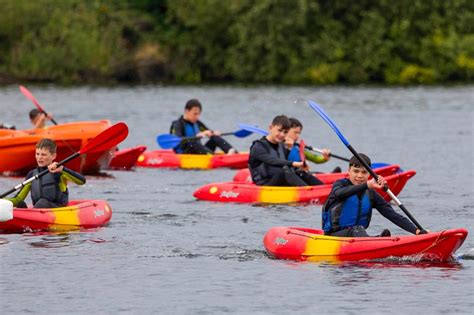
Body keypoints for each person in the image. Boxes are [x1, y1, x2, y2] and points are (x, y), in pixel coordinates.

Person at [322, 153, 426, 237]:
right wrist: (367, 184)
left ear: (369, 174)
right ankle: (373, 242)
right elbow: (339, 194)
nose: (360, 176)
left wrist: (416, 231)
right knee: (357, 229)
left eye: (364, 172)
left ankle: (378, 240)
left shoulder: (370, 193)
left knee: (360, 230)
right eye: (356, 171)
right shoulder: (339, 185)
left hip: (357, 236)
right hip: (334, 236)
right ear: (349, 171)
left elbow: (392, 215)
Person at [5, 138, 86, 209]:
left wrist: (63, 169)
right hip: (38, 211)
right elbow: (18, 198)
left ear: (53, 156)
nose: (39, 157)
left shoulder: (59, 172)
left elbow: (82, 181)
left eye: (43, 154)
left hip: (57, 209)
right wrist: (3, 201)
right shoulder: (32, 174)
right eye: (37, 154)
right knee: (20, 204)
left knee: (42, 202)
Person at [248, 115, 321, 186]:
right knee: (283, 171)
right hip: (264, 183)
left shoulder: (281, 146)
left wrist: (289, 149)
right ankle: (308, 192)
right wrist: (294, 163)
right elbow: (273, 161)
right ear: (270, 127)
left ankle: (323, 190)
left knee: (300, 172)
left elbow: (285, 162)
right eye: (279, 130)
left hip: (279, 180)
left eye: (285, 132)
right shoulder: (258, 146)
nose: (282, 134)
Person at [170, 99, 237, 154]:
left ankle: (232, 152)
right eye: (195, 114)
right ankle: (213, 157)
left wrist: (213, 132)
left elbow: (207, 131)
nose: (197, 117)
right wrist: (197, 136)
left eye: (199, 114)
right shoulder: (178, 124)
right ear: (187, 111)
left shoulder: (197, 123)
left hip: (199, 150)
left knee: (214, 138)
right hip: (185, 152)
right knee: (193, 142)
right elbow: (179, 140)